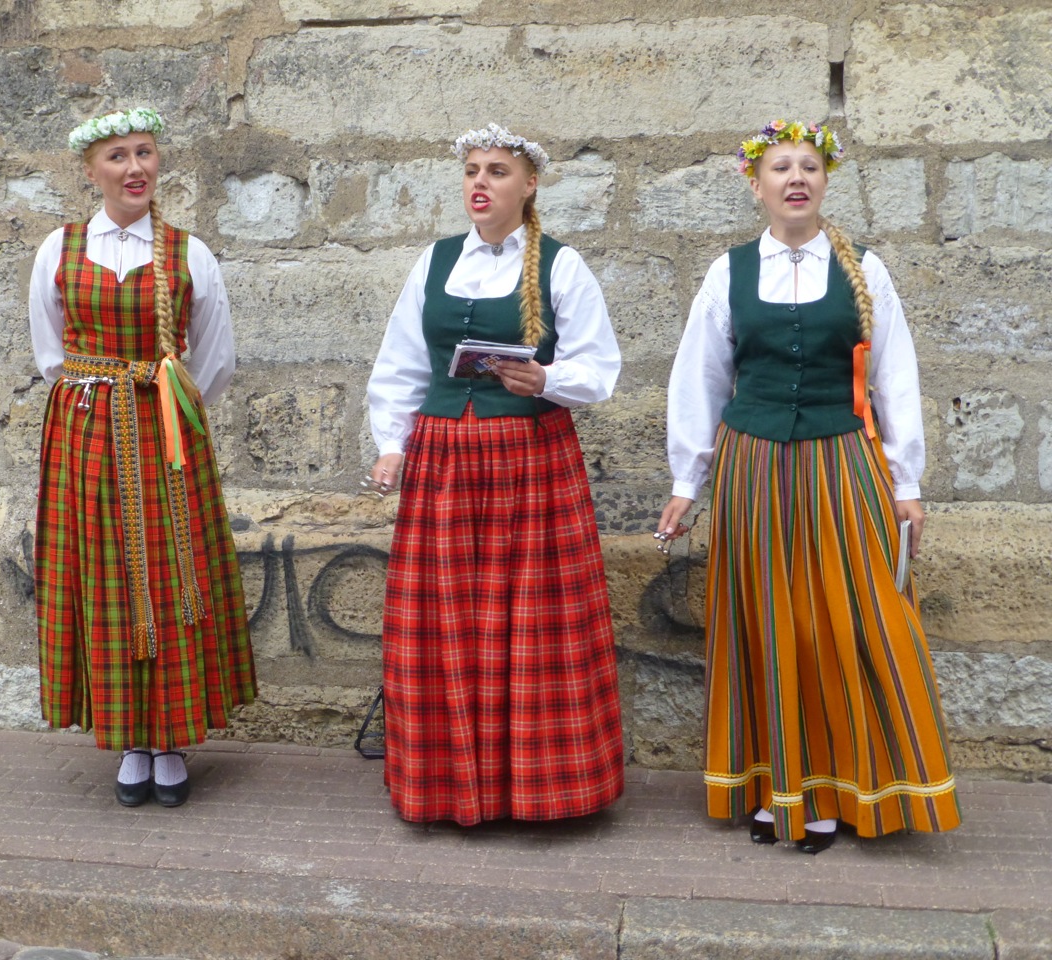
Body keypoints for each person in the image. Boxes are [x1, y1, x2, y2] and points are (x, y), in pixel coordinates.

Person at [656, 120, 961, 852]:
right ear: (755, 184)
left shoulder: (865, 269)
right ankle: (775, 790)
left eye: (809, 167)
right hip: (752, 466)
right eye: (780, 168)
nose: (796, 178)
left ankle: (836, 791)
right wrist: (684, 482)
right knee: (764, 625)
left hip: (842, 465)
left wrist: (906, 481)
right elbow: (699, 377)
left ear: (825, 181)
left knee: (844, 623)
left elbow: (895, 378)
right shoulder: (728, 273)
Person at [366, 123, 625, 825]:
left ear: (529, 184)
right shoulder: (436, 260)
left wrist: (545, 376)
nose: (481, 183)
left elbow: (600, 368)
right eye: (473, 171)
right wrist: (393, 444)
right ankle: (450, 789)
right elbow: (400, 363)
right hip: (445, 459)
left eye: (498, 172)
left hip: (529, 459)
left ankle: (536, 793)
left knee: (532, 625)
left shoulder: (561, 265)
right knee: (448, 628)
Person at [29, 107, 255, 808]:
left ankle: (171, 739)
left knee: (167, 575)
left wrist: (160, 405)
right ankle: (131, 738)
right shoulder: (58, 249)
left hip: (166, 431)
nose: (135, 168)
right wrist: (99, 402)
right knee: (107, 578)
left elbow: (214, 361)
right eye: (119, 156)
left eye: (145, 154)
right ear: (91, 170)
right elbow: (51, 354)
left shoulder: (189, 253)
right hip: (88, 432)